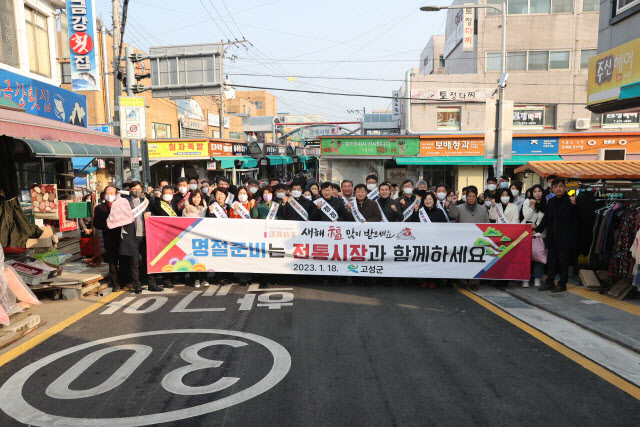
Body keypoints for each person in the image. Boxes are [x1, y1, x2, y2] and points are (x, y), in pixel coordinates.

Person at [535, 178, 577, 293]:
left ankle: (562, 284)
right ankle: (550, 283)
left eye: (560, 186)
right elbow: (546, 219)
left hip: (565, 237)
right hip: (552, 236)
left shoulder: (571, 200)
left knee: (563, 262)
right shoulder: (551, 201)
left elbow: (576, 218)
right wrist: (537, 229)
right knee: (551, 261)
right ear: (552, 189)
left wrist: (574, 205)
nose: (558, 189)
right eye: (555, 187)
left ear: (565, 187)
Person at [119, 181, 160, 293]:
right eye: (134, 189)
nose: (136, 191)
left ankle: (152, 284)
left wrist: (150, 214)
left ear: (141, 189)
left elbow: (155, 212)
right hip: (132, 236)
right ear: (130, 190)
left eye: (138, 189)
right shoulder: (125, 202)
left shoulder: (146, 202)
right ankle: (137, 286)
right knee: (134, 262)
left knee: (149, 261)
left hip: (146, 235)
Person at [449, 187, 489, 291]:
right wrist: (453, 203)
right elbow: (452, 215)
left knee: (476, 261)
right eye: (469, 196)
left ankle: (473, 282)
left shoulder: (483, 209)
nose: (471, 198)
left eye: (473, 196)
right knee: (463, 260)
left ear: (476, 197)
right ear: (466, 197)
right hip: (463, 239)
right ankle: (462, 281)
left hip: (478, 240)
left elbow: (487, 224)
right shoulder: (460, 207)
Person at [93, 186, 121, 291]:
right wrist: (107, 225)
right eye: (107, 193)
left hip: (123, 237)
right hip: (109, 238)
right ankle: (115, 283)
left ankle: (125, 280)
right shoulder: (100, 208)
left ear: (116, 194)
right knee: (112, 262)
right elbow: (96, 223)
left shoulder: (121, 205)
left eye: (112, 193)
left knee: (123, 260)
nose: (109, 195)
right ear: (104, 195)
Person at [522, 184, 546, 288]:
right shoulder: (527, 201)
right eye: (535, 191)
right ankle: (525, 278)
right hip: (527, 233)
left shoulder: (546, 203)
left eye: (539, 191)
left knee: (538, 256)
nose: (537, 193)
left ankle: (537, 278)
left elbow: (546, 219)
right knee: (525, 256)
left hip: (539, 234)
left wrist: (538, 228)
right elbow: (526, 216)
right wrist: (532, 206)